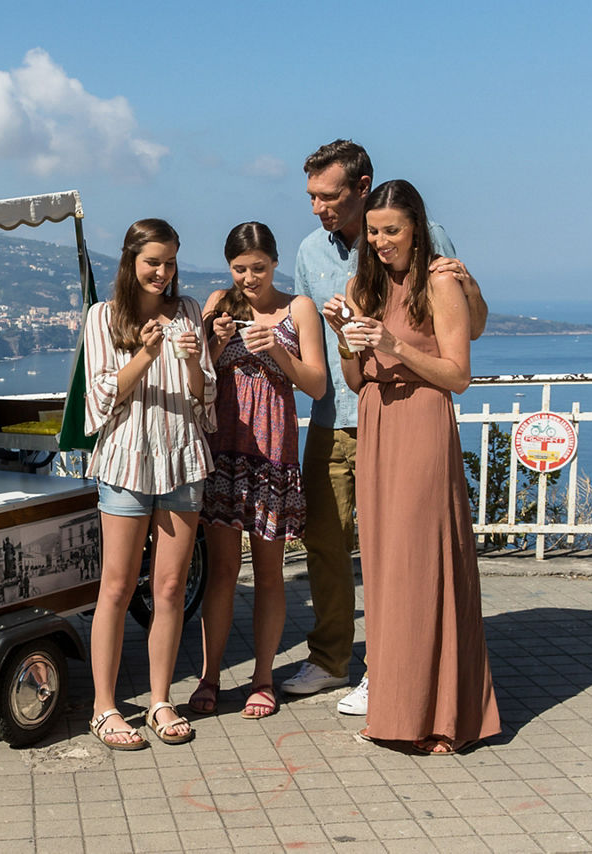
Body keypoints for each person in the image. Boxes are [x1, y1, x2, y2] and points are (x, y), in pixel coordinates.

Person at [282, 140, 488, 716]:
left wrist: (468, 287)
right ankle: (330, 661)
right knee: (327, 541)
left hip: (406, 416)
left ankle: (389, 668)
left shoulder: (426, 236)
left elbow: (465, 331)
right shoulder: (308, 252)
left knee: (397, 551)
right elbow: (316, 341)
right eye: (312, 197)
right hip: (340, 412)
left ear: (362, 186)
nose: (318, 207)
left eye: (328, 195)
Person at [329, 179, 500, 754]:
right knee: (383, 568)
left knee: (422, 562)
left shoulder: (439, 281)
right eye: (373, 231)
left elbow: (458, 375)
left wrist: (394, 346)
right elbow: (356, 381)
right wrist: (345, 339)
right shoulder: (363, 286)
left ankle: (443, 716)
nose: (380, 241)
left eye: (392, 230)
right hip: (378, 422)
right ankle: (398, 709)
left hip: (423, 422)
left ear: (416, 228)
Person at [82, 218, 216, 749]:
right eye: (153, 262)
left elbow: (206, 398)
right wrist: (147, 353)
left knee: (170, 589)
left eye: (170, 262)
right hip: (125, 459)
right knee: (115, 586)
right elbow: (98, 399)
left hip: (182, 458)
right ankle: (104, 707)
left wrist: (193, 366)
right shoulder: (102, 318)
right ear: (130, 261)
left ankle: (161, 701)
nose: (163, 272)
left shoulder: (187, 313)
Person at [190, 223, 326, 719]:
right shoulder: (216, 302)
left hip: (271, 454)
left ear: (275, 262)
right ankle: (208, 676)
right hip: (224, 449)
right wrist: (211, 337)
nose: (249, 278)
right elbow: (196, 374)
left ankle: (263, 677)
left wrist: (276, 349)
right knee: (222, 571)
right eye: (240, 269)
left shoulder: (299, 309)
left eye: (259, 268)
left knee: (270, 572)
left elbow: (316, 384)